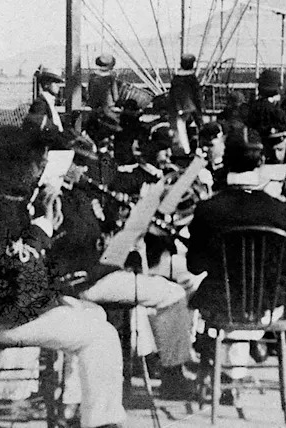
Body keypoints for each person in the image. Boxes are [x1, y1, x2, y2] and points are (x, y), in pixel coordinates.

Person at [0, 124, 127, 428]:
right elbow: (20, 269)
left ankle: (72, 408)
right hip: (3, 316)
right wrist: (43, 228)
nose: (41, 169)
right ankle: (101, 422)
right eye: (38, 162)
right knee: (103, 335)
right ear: (17, 164)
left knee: (93, 315)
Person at [47, 134, 198, 403]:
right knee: (173, 295)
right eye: (78, 163)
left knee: (167, 285)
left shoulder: (80, 194)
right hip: (84, 280)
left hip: (94, 274)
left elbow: (95, 233)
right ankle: (172, 376)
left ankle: (157, 362)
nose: (84, 170)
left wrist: (124, 227)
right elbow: (76, 243)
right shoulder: (58, 198)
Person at [186, 127, 286, 400]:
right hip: (267, 305)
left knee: (189, 291)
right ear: (261, 163)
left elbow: (194, 265)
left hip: (221, 301)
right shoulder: (281, 211)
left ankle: (218, 364)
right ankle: (234, 370)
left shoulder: (208, 210)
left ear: (226, 162)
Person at [245, 68, 285, 137]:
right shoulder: (277, 107)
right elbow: (284, 125)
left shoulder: (256, 106)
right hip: (276, 140)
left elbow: (249, 122)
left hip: (259, 139)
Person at [28, 66, 66, 137]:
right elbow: (39, 126)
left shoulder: (50, 102)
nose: (58, 85)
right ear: (46, 84)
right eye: (55, 82)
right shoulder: (40, 103)